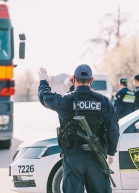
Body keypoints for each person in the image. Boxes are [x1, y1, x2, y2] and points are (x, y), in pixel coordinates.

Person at [38, 64, 120, 193]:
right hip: (96, 157)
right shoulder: (103, 101)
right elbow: (113, 129)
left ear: (73, 79)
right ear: (92, 80)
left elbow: (45, 98)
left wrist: (43, 81)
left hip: (73, 157)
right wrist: (111, 152)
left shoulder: (66, 100)